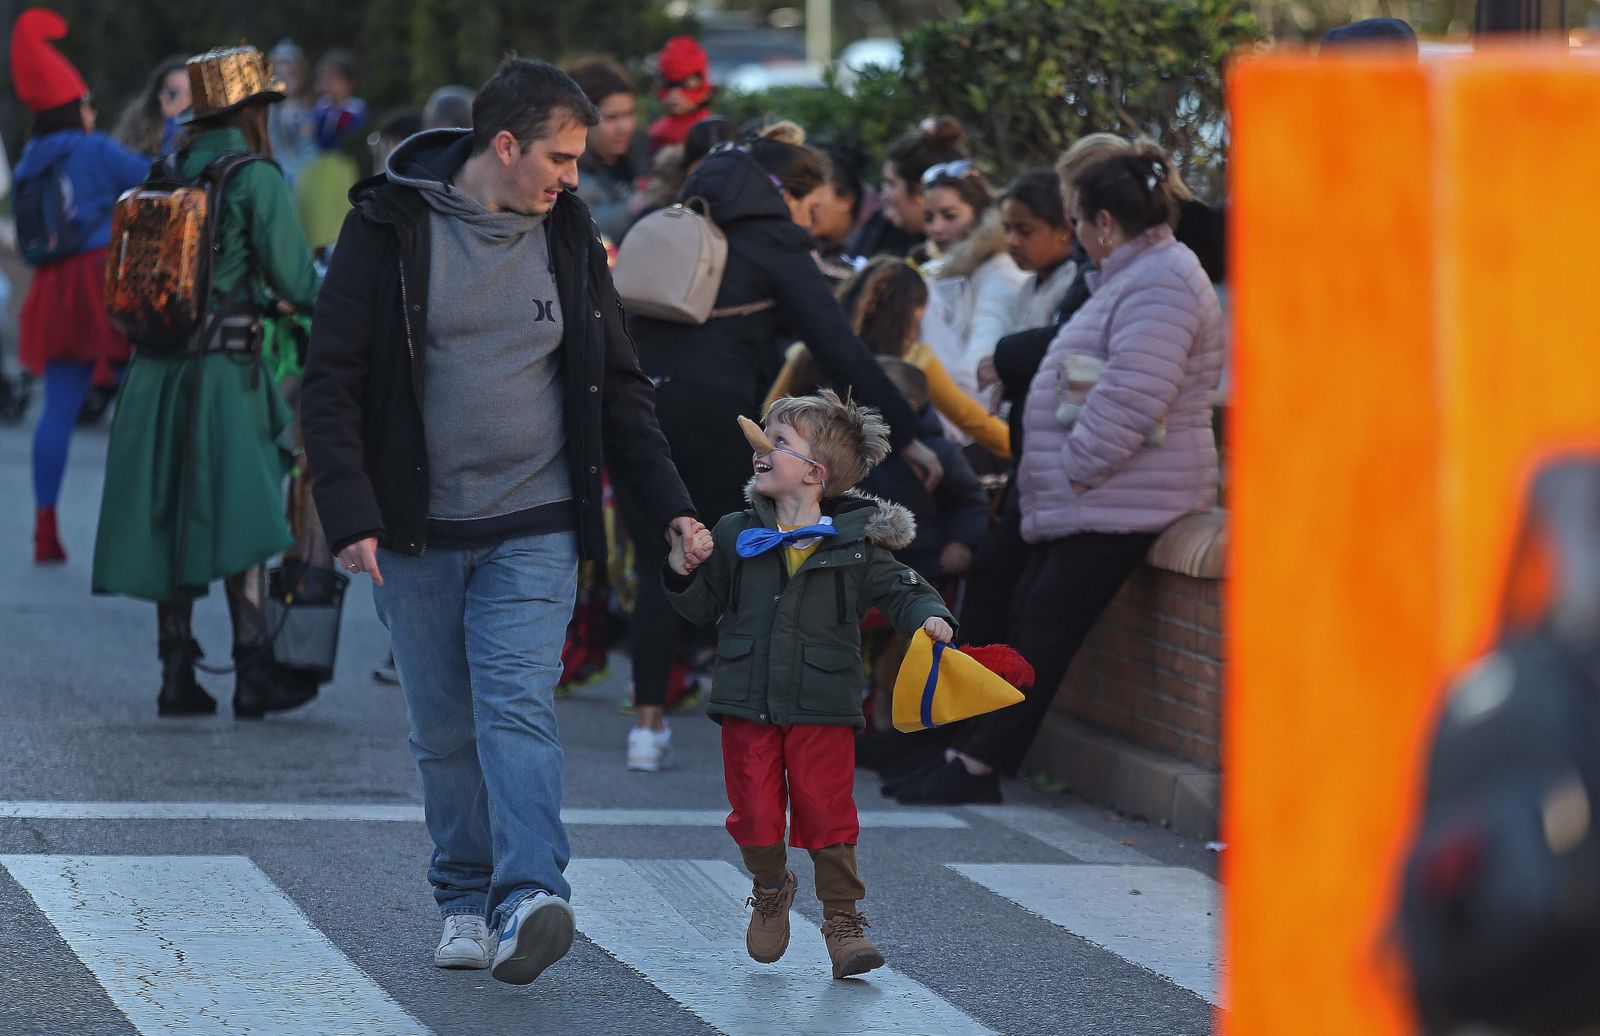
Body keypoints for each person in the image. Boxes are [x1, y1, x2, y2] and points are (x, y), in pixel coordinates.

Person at [301, 58, 701, 985]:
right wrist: (349, 510)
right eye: (560, 156)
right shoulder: (389, 226)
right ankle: (464, 897)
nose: (574, 174)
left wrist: (672, 507)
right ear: (506, 144)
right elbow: (331, 381)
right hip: (414, 529)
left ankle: (528, 894)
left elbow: (620, 390)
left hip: (536, 522)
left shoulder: (567, 230)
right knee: (444, 726)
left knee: (517, 707)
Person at [894, 143, 1224, 805]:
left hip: (1121, 492)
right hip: (1101, 490)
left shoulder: (1160, 279)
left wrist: (1072, 468)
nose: (1073, 234)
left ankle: (982, 763)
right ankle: (965, 747)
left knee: (1045, 624)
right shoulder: (1133, 273)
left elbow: (1134, 396)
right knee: (1023, 609)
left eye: (1075, 219)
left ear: (1103, 223)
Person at [618, 130, 945, 773]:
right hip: (716, 409)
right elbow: (839, 349)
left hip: (636, 404)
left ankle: (648, 729)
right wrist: (910, 433)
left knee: (665, 551)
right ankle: (757, 719)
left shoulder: (678, 222)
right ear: (787, 193)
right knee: (745, 554)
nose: (811, 219)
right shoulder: (774, 240)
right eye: (810, 203)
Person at [662, 390, 955, 979]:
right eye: (765, 439)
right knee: (754, 816)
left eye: (780, 443)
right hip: (748, 702)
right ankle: (771, 886)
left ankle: (843, 922)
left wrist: (929, 613)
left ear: (815, 473)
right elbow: (699, 609)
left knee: (827, 814)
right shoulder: (736, 531)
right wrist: (681, 567)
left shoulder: (857, 545)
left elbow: (904, 587)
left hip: (823, 703)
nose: (762, 451)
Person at [91, 44, 322, 721]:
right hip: (224, 373)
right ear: (253, 110)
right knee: (240, 519)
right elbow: (294, 282)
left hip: (155, 371)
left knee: (172, 515)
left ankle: (175, 674)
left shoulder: (163, 170)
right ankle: (253, 671)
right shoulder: (255, 178)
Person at [9, 8, 149, 564]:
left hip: (53, 290)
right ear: (73, 107)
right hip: (103, 285)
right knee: (140, 402)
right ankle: (143, 527)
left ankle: (45, 528)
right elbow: (155, 176)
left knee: (59, 410)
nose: (93, 111)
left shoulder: (29, 161)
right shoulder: (93, 149)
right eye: (87, 102)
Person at [767, 257, 1010, 457]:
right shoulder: (915, 359)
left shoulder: (807, 353)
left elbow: (769, 412)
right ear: (912, 314)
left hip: (805, 470)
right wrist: (1017, 446)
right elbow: (970, 418)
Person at [918, 160, 1026, 439]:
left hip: (981, 428)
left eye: (950, 215)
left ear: (979, 215)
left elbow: (979, 369)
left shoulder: (1000, 273)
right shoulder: (941, 272)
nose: (937, 228)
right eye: (928, 218)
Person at [859, 359, 988, 585]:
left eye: (879, 398)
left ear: (908, 406)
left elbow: (969, 501)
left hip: (923, 565)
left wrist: (961, 542)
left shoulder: (939, 452)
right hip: (862, 563)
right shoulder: (855, 448)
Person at [846, 116, 965, 261]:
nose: (884, 195)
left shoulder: (966, 255)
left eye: (891, 184)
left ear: (920, 191)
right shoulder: (885, 229)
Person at [566, 56, 642, 243]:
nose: (624, 127)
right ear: (581, 119)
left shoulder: (642, 155)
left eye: (629, 114)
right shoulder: (569, 176)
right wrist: (633, 208)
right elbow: (581, 227)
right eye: (612, 117)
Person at [296, 48, 366, 250]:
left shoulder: (355, 109)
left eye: (335, 79)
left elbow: (351, 139)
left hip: (343, 172)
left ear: (349, 82)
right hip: (319, 173)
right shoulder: (320, 108)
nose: (329, 85)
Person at [648, 36, 714, 154]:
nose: (675, 94)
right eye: (670, 85)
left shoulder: (710, 132)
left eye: (685, 85)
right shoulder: (656, 132)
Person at [113, 56, 190, 156]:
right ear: (159, 98)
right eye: (174, 94)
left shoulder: (204, 133)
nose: (184, 102)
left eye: (189, 94)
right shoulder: (139, 134)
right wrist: (171, 120)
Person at [266, 40, 318, 187]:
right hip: (275, 178)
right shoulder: (268, 109)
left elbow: (311, 154)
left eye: (291, 73)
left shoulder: (306, 109)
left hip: (302, 181)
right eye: (279, 74)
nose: (285, 80)